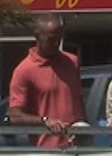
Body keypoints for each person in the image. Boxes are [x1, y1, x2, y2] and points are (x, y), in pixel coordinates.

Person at [9, 13, 86, 148]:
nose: (56, 44)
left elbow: (78, 101)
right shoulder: (24, 70)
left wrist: (85, 128)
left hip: (78, 148)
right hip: (47, 151)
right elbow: (15, 116)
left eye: (59, 39)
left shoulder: (72, 62)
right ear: (37, 36)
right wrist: (44, 121)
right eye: (51, 39)